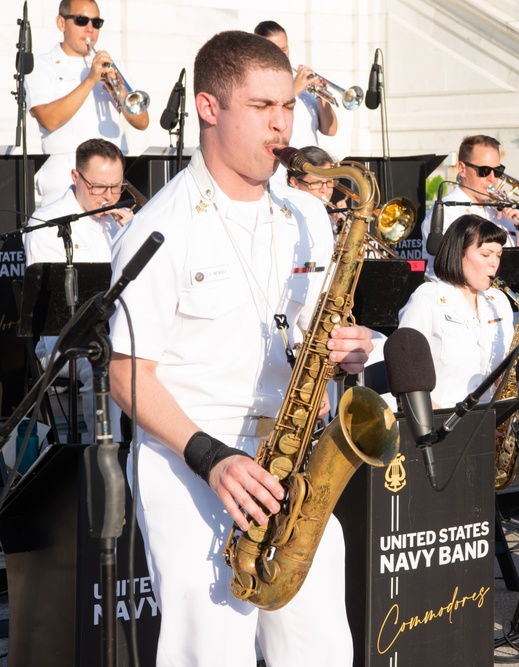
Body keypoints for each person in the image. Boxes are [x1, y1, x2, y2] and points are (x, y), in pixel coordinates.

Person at [107, 31, 374, 665]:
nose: (282, 126)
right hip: (195, 466)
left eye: (287, 106)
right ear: (208, 107)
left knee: (321, 653)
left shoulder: (307, 216)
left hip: (292, 465)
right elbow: (126, 375)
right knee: (211, 653)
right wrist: (212, 458)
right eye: (262, 108)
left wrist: (347, 348)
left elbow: (311, 331)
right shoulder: (159, 229)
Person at [24, 137, 132, 443]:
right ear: (76, 177)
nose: (108, 197)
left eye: (116, 187)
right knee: (102, 362)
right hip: (64, 340)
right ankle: (102, 454)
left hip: (116, 332)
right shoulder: (48, 222)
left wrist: (133, 234)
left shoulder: (119, 223)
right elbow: (59, 310)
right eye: (98, 187)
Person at [25, 0, 149, 207]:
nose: (90, 29)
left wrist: (119, 92)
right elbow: (49, 119)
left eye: (96, 22)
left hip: (111, 178)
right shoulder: (40, 65)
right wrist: (90, 80)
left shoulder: (112, 66)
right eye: (82, 20)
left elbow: (142, 122)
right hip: (67, 179)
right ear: (61, 23)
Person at [399, 214, 514, 408]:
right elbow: (407, 375)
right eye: (486, 255)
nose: (494, 263)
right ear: (459, 252)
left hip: (489, 419)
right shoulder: (427, 298)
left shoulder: (499, 301)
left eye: (498, 255)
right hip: (440, 424)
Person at [421, 135, 519, 278]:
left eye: (497, 171)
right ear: (462, 169)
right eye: (484, 170)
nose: (492, 178)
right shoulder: (446, 211)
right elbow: (458, 269)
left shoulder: (502, 211)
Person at [254, 21, 337, 149]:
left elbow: (330, 130)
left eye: (284, 49)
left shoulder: (303, 84)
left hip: (312, 165)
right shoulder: (256, 82)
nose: (281, 55)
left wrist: (321, 96)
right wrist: (293, 91)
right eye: (274, 49)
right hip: (281, 166)